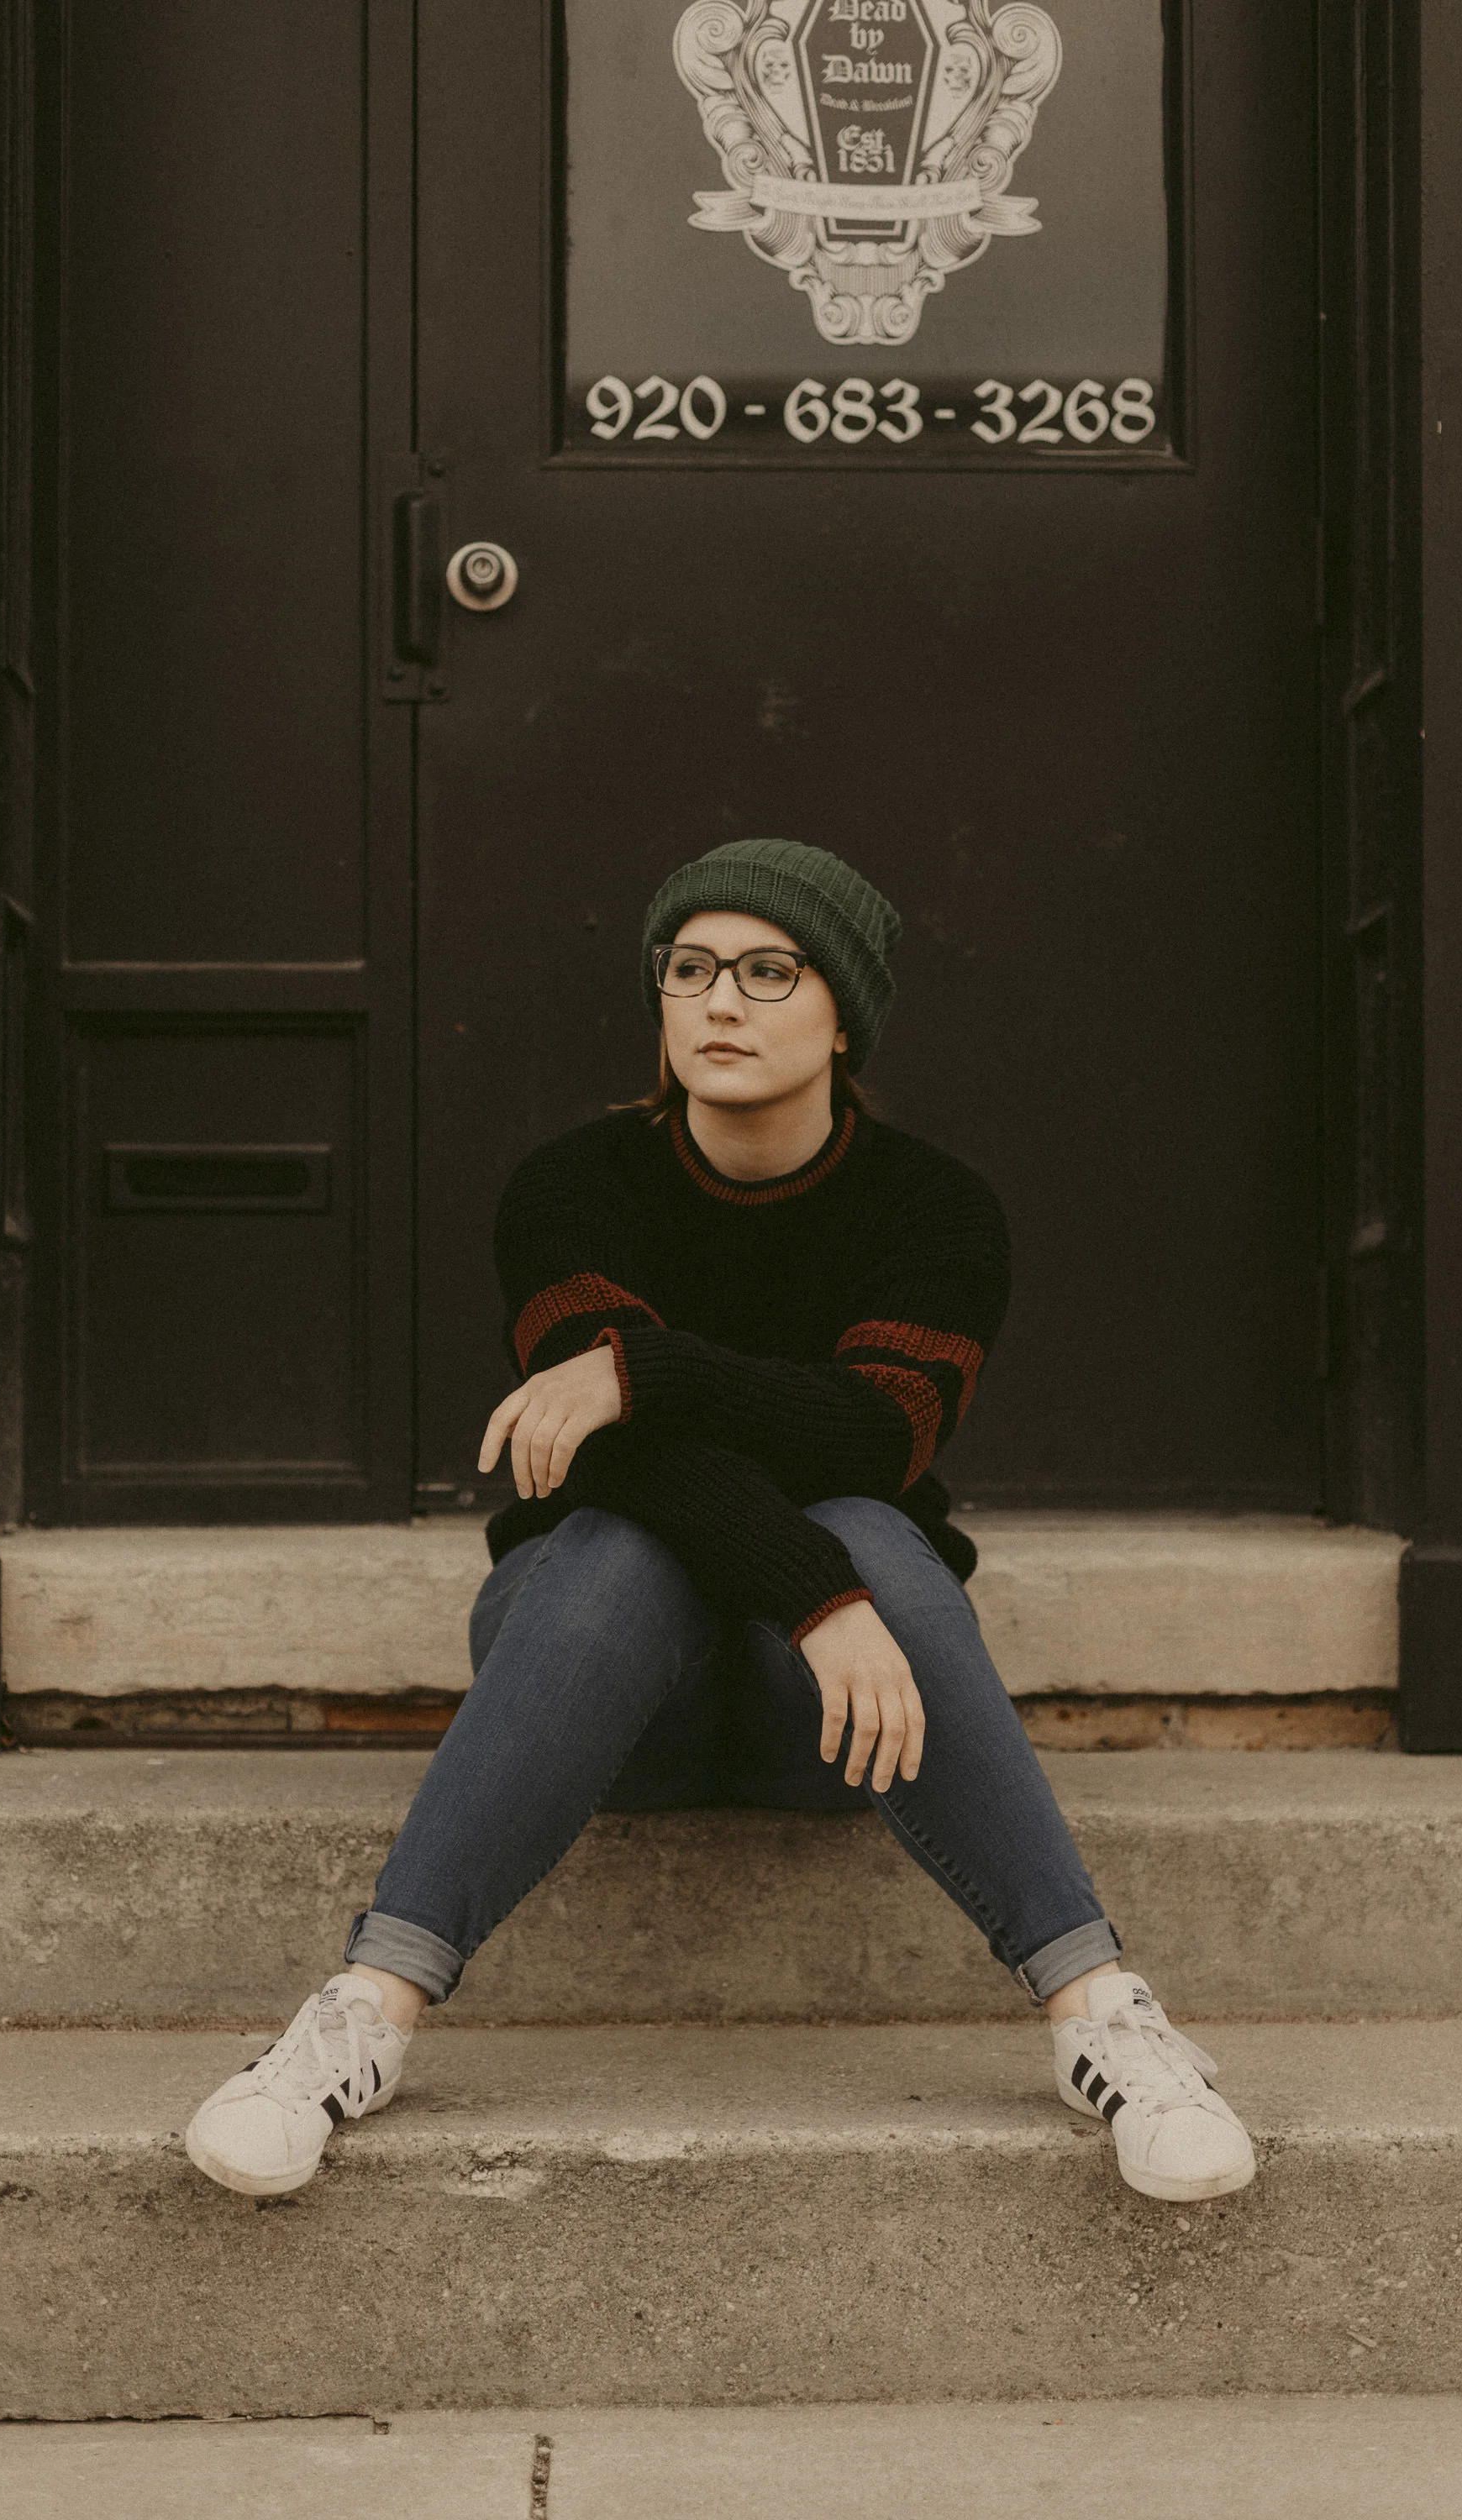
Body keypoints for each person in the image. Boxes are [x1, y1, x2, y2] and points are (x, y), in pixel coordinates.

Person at [185, 840, 1255, 2208]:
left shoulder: (937, 1210)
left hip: (835, 1714)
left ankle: (1100, 2018)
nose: (720, 1003)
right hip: (610, 1684)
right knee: (637, 1541)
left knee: (872, 1522)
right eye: (689, 971)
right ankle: (362, 2017)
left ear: (845, 1015)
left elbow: (873, 1433)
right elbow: (608, 1466)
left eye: (767, 972)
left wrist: (646, 1372)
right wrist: (813, 1582)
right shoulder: (571, 1189)